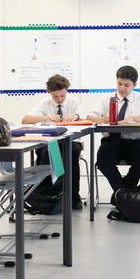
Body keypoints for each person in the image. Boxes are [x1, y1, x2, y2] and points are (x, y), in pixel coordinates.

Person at [87, 65, 140, 204]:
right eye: (119, 84)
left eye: (127, 85)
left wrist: (134, 118)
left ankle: (120, 194)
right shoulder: (107, 99)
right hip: (111, 141)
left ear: (135, 84)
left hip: (134, 142)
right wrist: (101, 119)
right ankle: (126, 195)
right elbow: (90, 116)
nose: (122, 88)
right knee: (103, 162)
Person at [22, 74, 84, 210]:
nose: (60, 99)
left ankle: (73, 196)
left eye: (62, 95)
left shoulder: (73, 102)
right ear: (49, 92)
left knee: (72, 152)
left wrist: (75, 116)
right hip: (51, 142)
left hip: (71, 141)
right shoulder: (44, 104)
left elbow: (83, 116)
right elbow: (25, 120)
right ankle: (47, 196)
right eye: (56, 96)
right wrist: (47, 117)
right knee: (47, 153)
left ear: (66, 90)